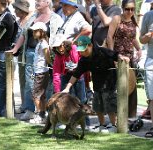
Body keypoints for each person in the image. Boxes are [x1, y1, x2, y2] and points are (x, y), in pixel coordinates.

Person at [64, 0, 121, 133]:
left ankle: (113, 125)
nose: (82, 52)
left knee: (110, 103)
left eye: (84, 49)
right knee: (97, 104)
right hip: (97, 83)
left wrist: (121, 58)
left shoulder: (102, 51)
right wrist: (67, 87)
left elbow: (115, 55)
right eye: (80, 50)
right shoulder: (84, 60)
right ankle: (102, 124)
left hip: (109, 81)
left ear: (90, 46)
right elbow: (76, 74)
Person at [8, 0, 64, 121]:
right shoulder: (33, 17)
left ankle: (49, 112)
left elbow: (60, 36)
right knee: (29, 84)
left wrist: (53, 57)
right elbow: (23, 34)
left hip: (46, 54)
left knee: (47, 85)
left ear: (48, 2)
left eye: (40, 0)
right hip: (30, 53)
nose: (37, 2)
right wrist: (15, 48)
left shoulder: (56, 19)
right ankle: (29, 110)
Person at [107, 0, 142, 118]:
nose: (130, 11)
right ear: (122, 8)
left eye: (132, 9)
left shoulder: (133, 20)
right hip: (118, 58)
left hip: (130, 58)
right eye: (127, 9)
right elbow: (109, 37)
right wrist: (114, 56)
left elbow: (132, 38)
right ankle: (116, 119)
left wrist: (139, 49)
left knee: (131, 87)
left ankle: (129, 118)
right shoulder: (117, 19)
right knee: (117, 88)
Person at [0, 0, 17, 117]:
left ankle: (0, 111)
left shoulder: (6, 16)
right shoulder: (7, 15)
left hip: (2, 52)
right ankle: (8, 109)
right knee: (5, 83)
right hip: (3, 51)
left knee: (2, 84)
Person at [12, 0, 32, 114]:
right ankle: (24, 104)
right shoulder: (18, 21)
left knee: (28, 80)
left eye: (17, 9)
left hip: (27, 53)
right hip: (19, 54)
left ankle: (28, 105)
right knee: (21, 79)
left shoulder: (29, 21)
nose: (15, 11)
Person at [28, 22, 50, 124]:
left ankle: (39, 115)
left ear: (41, 31)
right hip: (38, 71)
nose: (33, 32)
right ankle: (43, 114)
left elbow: (47, 57)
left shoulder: (44, 43)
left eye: (36, 31)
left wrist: (49, 64)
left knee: (36, 95)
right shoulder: (40, 43)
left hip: (41, 71)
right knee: (41, 96)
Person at [139, 0, 153, 138]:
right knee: (152, 97)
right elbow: (141, 39)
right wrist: (147, 37)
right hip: (151, 60)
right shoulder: (148, 16)